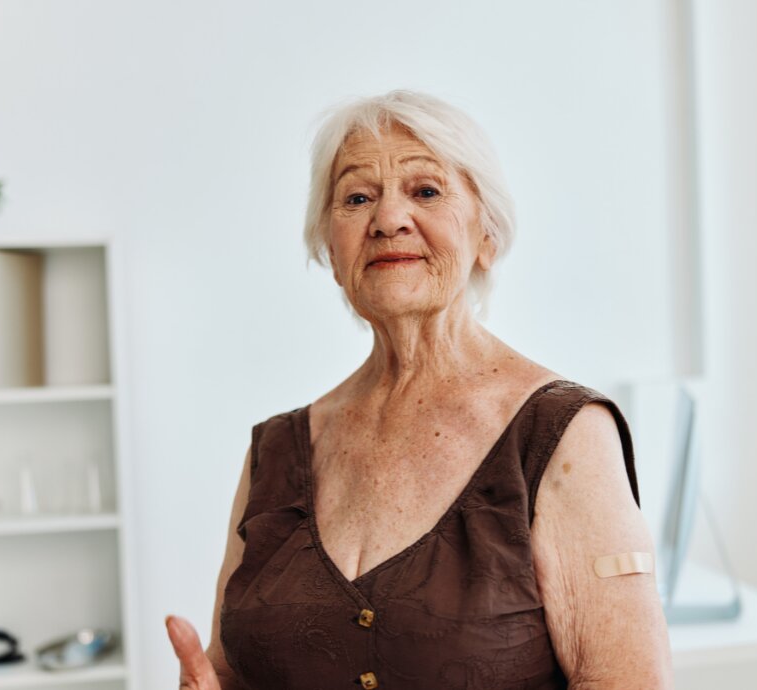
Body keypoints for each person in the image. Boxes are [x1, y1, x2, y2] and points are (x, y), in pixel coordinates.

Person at [166, 89, 673, 689]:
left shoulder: (564, 437)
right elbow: (232, 674)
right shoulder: (276, 451)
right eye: (356, 198)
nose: (387, 220)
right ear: (332, 249)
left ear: (486, 235)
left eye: (426, 191)